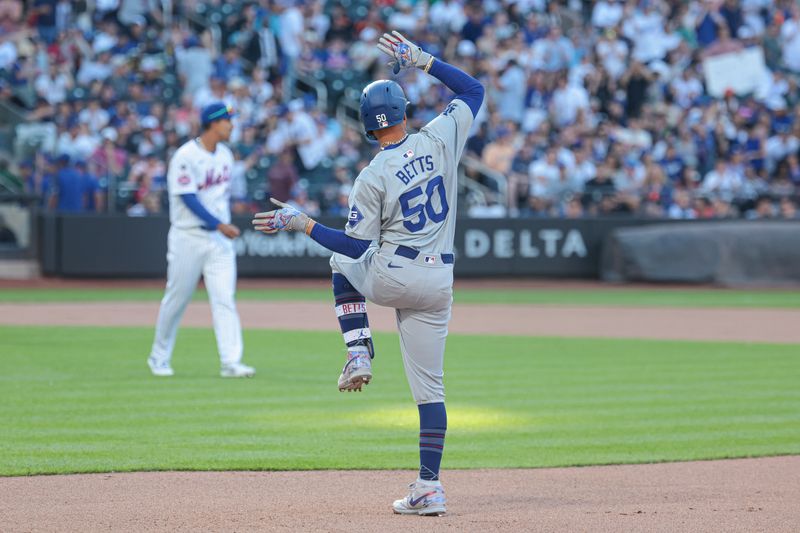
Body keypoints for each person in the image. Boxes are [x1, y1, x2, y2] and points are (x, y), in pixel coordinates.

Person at [252, 31, 484, 517]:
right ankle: (430, 487)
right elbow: (473, 91)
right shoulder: (439, 137)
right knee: (432, 391)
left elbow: (355, 246)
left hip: (394, 274)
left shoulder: (372, 175)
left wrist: (303, 223)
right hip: (439, 281)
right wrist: (423, 61)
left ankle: (358, 350)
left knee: (342, 262)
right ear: (404, 111)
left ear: (364, 124)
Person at [147, 102, 255, 379]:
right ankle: (159, 358)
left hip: (219, 242)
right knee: (177, 299)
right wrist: (219, 224)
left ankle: (231, 361)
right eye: (227, 120)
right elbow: (188, 198)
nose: (231, 125)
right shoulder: (185, 155)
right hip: (188, 237)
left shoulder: (226, 155)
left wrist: (221, 224)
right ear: (213, 123)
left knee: (224, 300)